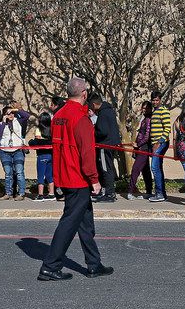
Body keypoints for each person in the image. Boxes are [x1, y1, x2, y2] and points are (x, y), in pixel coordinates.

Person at [38, 76, 112, 281]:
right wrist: (94, 179)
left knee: (85, 221)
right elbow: (87, 152)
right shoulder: (81, 118)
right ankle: (50, 266)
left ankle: (93, 263)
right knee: (69, 222)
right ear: (84, 94)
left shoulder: (59, 115)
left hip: (64, 173)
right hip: (77, 176)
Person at [89, 94, 121, 202]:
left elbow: (102, 131)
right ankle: (108, 192)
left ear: (94, 104)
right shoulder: (109, 110)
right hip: (111, 144)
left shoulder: (102, 113)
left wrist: (93, 132)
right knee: (109, 167)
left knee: (105, 168)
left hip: (105, 145)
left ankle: (109, 193)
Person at [28, 104, 58, 201]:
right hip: (51, 155)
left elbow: (36, 142)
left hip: (41, 155)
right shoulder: (52, 130)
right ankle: (51, 193)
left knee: (40, 175)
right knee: (50, 175)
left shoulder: (38, 130)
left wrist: (31, 142)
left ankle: (40, 194)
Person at [0, 106, 27, 200]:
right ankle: (8, 193)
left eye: (11, 113)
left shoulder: (19, 121)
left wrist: (15, 109)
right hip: (5, 151)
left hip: (18, 150)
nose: (10, 115)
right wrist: (3, 122)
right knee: (8, 173)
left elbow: (26, 116)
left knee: (19, 172)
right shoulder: (1, 124)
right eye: (7, 113)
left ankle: (21, 193)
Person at [127, 101, 154, 200]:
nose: (144, 110)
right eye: (143, 108)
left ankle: (130, 191)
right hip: (142, 148)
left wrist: (138, 144)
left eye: (147, 108)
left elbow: (147, 136)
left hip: (143, 148)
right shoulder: (145, 119)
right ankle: (149, 191)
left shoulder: (149, 119)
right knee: (145, 170)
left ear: (150, 109)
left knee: (136, 169)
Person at [148, 91, 172, 202]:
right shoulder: (154, 112)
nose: (155, 102)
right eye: (153, 100)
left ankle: (159, 193)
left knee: (154, 167)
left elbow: (167, 128)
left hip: (161, 143)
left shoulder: (164, 111)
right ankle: (162, 193)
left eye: (157, 100)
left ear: (160, 100)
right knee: (158, 168)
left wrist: (158, 143)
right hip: (154, 143)